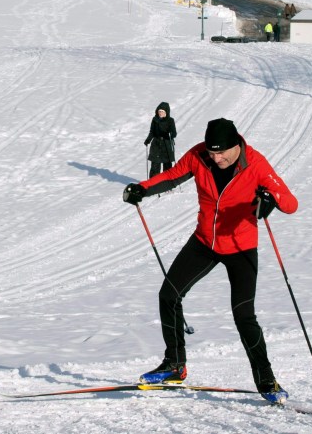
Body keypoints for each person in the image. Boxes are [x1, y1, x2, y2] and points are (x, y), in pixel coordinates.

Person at [122, 118, 298, 405]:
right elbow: (172, 176)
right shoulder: (199, 155)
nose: (216, 159)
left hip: (241, 247)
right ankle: (174, 365)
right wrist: (142, 188)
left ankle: (266, 379)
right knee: (169, 294)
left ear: (236, 146)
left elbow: (291, 202)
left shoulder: (255, 163)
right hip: (204, 242)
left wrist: (270, 198)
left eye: (222, 153)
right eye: (212, 153)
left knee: (243, 315)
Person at [143, 102, 177, 177]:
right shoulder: (155, 120)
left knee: (167, 166)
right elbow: (152, 131)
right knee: (155, 166)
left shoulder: (170, 120)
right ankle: (153, 183)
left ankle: (168, 183)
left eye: (162, 111)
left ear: (166, 112)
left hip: (167, 145)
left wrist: (170, 134)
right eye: (159, 111)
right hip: (156, 145)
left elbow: (174, 133)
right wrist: (148, 140)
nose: (160, 113)